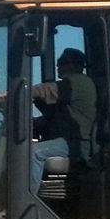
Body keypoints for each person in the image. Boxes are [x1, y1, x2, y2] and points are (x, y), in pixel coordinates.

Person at [30, 48, 97, 177]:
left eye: (63, 62)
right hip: (66, 140)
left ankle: (27, 191)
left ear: (77, 66)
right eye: (58, 62)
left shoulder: (79, 81)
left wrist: (17, 92)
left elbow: (48, 90)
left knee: (34, 152)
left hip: (78, 144)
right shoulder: (69, 90)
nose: (58, 65)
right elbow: (53, 118)